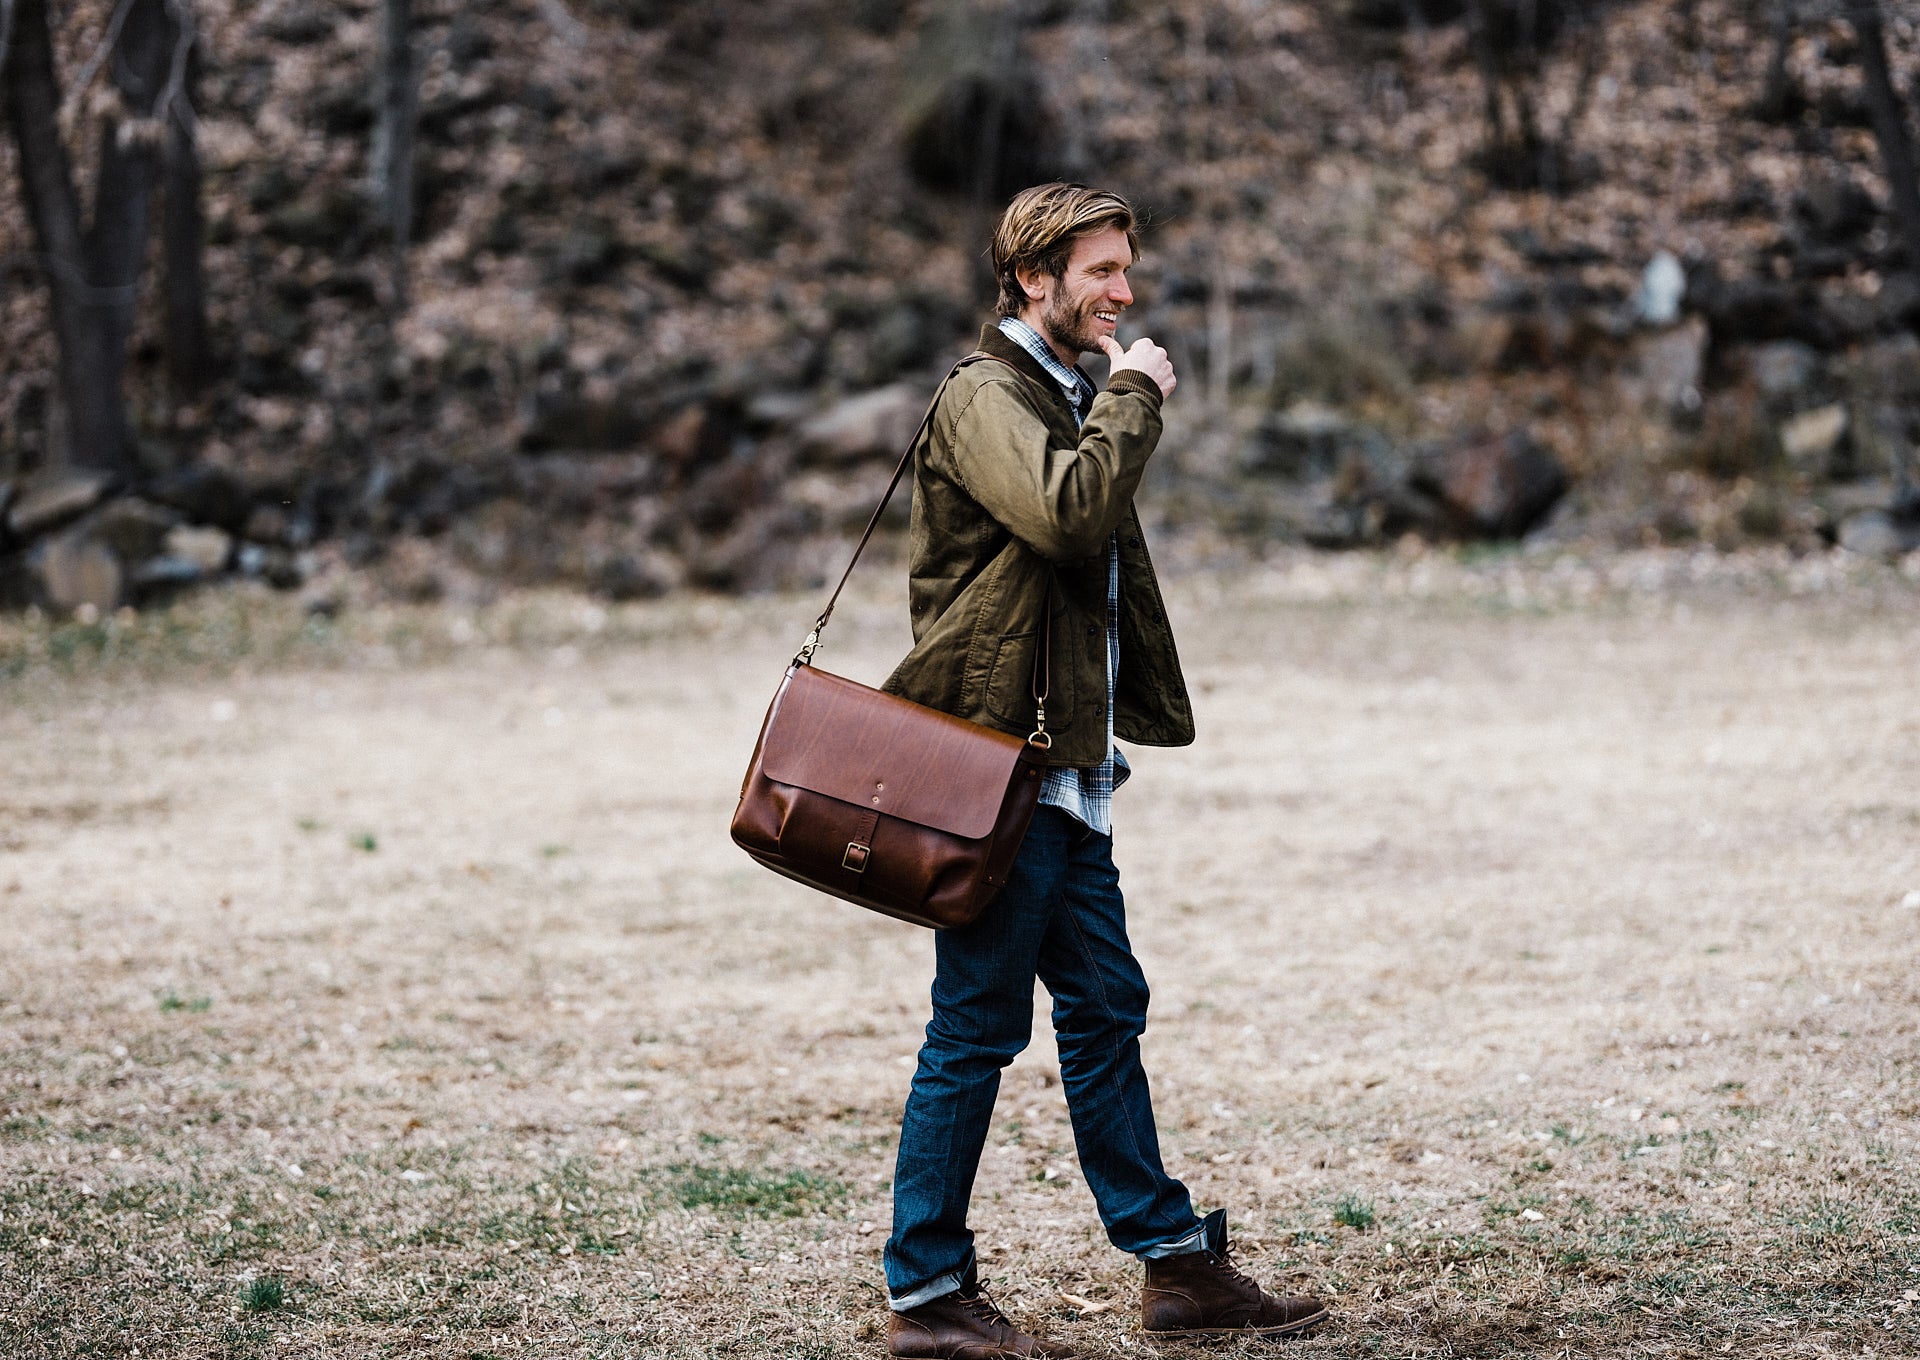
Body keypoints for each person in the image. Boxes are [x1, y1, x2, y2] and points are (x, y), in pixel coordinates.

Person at [876, 182, 1330, 1356]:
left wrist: (1112, 397)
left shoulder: (1062, 393)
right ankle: (925, 1294)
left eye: (1127, 270)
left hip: (1065, 772)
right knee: (975, 1028)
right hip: (1000, 771)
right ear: (1033, 277)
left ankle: (1176, 1266)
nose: (1124, 292)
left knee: (1104, 1007)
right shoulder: (987, 397)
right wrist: (1137, 395)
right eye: (1101, 272)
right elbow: (1070, 517)